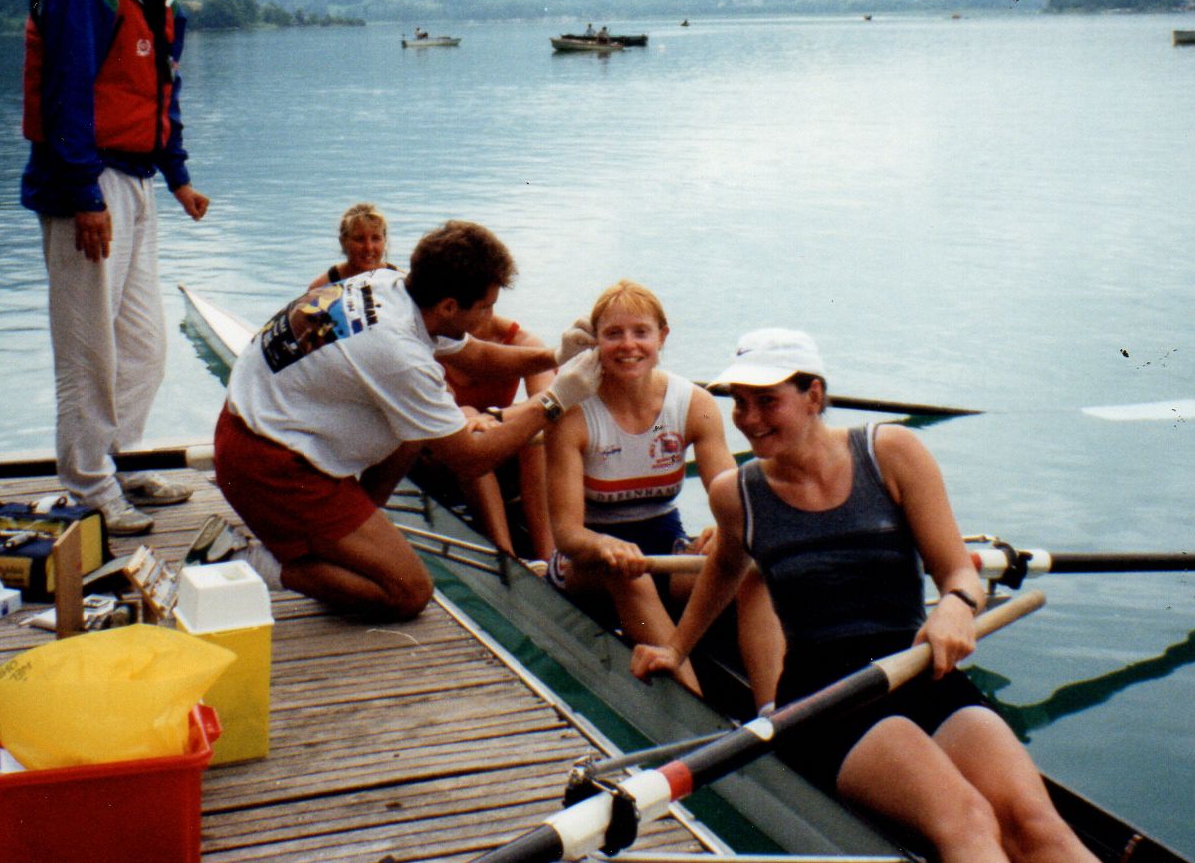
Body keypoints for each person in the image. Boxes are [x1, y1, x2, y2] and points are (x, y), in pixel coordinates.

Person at [632, 330, 1093, 863]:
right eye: (739, 403)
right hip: (825, 698)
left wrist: (954, 606)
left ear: (815, 397)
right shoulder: (736, 494)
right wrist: (675, 648)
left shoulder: (892, 453)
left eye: (767, 401)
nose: (750, 419)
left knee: (1039, 827)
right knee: (969, 821)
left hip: (921, 668)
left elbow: (957, 573)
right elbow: (726, 570)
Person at [213, 220, 600, 620]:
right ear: (449, 306)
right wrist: (555, 401)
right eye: (485, 306)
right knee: (408, 592)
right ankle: (247, 560)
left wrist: (555, 357)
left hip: (257, 427)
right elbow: (470, 459)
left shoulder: (389, 284)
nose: (491, 315)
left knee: (417, 429)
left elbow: (477, 357)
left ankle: (352, 533)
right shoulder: (399, 354)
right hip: (269, 467)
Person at [20, 0, 215, 536]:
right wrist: (82, 196)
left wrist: (178, 174)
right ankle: (85, 486)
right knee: (86, 349)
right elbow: (67, 96)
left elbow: (159, 92)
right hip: (90, 183)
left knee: (143, 346)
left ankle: (109, 461)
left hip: (135, 179)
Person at [547, 281, 782, 704]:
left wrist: (720, 527)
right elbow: (566, 533)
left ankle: (774, 712)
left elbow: (733, 498)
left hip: (665, 549)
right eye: (613, 334)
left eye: (641, 332)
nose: (628, 345)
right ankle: (696, 716)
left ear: (663, 337)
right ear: (595, 342)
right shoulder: (574, 413)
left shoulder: (695, 403)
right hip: (588, 563)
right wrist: (605, 545)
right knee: (627, 573)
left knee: (750, 570)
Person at [437, 310, 557, 560]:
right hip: (440, 447)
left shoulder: (521, 341)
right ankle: (505, 554)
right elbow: (443, 408)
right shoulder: (430, 338)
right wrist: (473, 419)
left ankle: (548, 557)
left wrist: (494, 417)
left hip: (487, 436)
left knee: (535, 435)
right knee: (469, 421)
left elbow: (547, 399)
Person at [308, 202, 399, 289]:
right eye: (360, 239)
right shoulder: (319, 289)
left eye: (375, 238)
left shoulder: (400, 283)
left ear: (385, 240)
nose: (368, 247)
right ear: (343, 242)